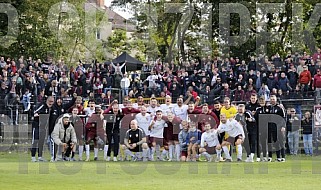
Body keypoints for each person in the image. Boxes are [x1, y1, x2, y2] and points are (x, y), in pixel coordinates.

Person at [31, 96, 55, 162]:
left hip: (44, 127)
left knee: (41, 142)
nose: (51, 103)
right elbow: (34, 111)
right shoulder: (42, 105)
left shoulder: (51, 108)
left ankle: (40, 156)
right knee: (35, 141)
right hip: (37, 126)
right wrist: (36, 114)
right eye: (50, 101)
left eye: (52, 102)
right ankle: (33, 157)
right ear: (47, 101)